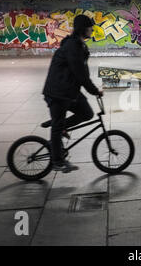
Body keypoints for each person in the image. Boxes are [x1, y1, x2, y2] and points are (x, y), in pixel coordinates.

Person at [42, 15, 102, 173]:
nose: (92, 29)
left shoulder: (80, 45)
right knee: (57, 127)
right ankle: (57, 161)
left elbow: (83, 73)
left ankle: (60, 127)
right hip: (58, 92)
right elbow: (80, 74)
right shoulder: (73, 47)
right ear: (83, 28)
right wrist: (94, 90)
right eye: (90, 27)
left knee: (87, 113)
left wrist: (92, 89)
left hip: (69, 90)